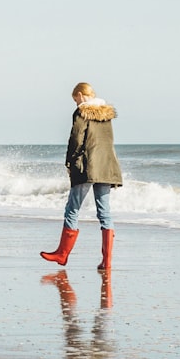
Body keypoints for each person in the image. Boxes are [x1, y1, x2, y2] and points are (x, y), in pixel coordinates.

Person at [40, 82, 122, 270]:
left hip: (87, 166)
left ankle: (62, 254)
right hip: (107, 166)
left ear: (80, 94)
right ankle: (107, 262)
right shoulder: (106, 114)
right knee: (104, 212)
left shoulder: (82, 112)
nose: (75, 103)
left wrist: (69, 162)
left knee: (72, 208)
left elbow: (76, 139)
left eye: (75, 99)